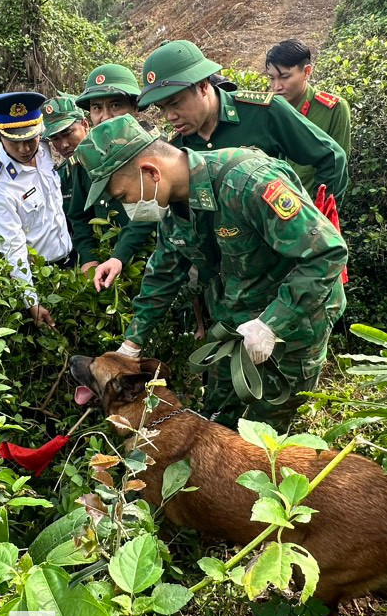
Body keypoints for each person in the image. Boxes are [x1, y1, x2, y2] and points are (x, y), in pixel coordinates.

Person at [74, 115, 347, 431]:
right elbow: (164, 272)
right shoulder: (171, 204)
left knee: (263, 433)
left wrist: (271, 324)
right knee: (216, 420)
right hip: (234, 323)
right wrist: (133, 342)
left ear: (151, 172)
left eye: (124, 196)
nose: (128, 206)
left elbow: (327, 253)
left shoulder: (248, 182)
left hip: (293, 326)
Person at [137, 40, 350, 223]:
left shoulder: (262, 113)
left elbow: (331, 157)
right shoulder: (177, 149)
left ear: (202, 86)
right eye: (162, 108)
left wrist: (316, 222)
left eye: (176, 103)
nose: (170, 116)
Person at [46, 91, 159, 292]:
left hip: (152, 259)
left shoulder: (153, 152)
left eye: (116, 106)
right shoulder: (81, 164)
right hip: (110, 263)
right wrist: (89, 258)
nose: (105, 117)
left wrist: (119, 255)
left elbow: (150, 209)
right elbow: (79, 216)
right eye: (97, 108)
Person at [0, 91, 73, 328]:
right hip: (41, 278)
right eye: (14, 142)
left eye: (30, 139)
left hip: (73, 260)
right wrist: (32, 300)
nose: (24, 149)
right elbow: (12, 246)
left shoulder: (45, 149)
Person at [264, 39, 352, 195]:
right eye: (272, 78)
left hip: (312, 206)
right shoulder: (269, 109)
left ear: (307, 72)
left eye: (284, 77)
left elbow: (336, 168)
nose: (277, 87)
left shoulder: (333, 109)